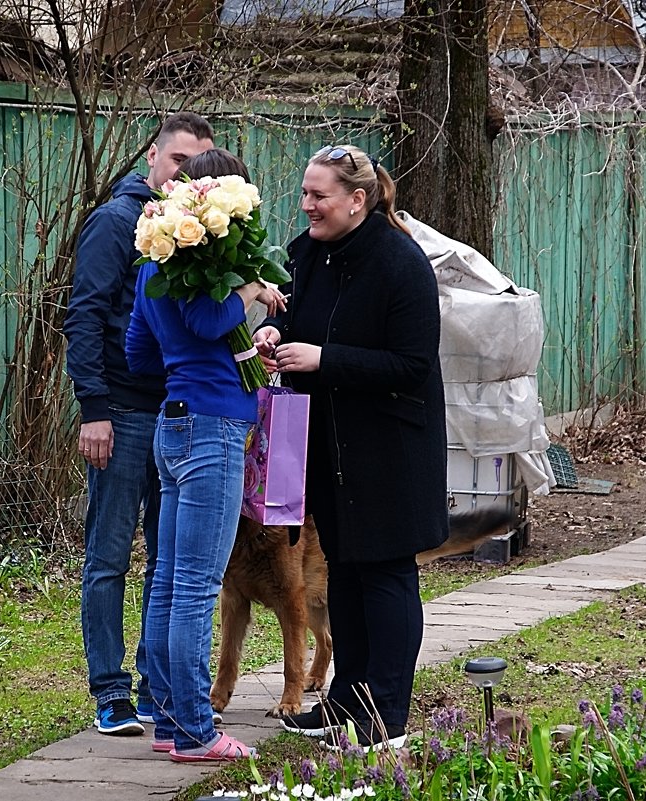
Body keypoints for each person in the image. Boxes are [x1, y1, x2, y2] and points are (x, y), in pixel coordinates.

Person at [253, 144, 449, 752]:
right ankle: (344, 704)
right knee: (346, 576)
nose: (307, 205)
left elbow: (412, 365)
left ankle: (386, 712)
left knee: (385, 576)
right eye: (306, 194)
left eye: (319, 196)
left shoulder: (400, 263)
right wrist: (274, 332)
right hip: (328, 449)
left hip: (390, 450)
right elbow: (298, 318)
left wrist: (324, 360)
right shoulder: (306, 254)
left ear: (358, 200)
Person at [126, 148, 286, 761]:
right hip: (212, 432)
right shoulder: (199, 259)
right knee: (193, 585)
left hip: (173, 423)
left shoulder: (152, 265)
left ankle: (168, 718)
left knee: (169, 580)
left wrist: (206, 359)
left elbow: (142, 352)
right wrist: (247, 290)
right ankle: (195, 729)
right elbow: (208, 318)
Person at [64, 111, 215, 736]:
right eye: (178, 160)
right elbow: (85, 316)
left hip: (174, 414)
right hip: (122, 415)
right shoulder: (117, 221)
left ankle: (156, 687)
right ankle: (110, 693)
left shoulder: (201, 231)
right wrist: (93, 409)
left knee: (167, 558)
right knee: (108, 556)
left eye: (198, 165)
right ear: (152, 155)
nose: (186, 174)